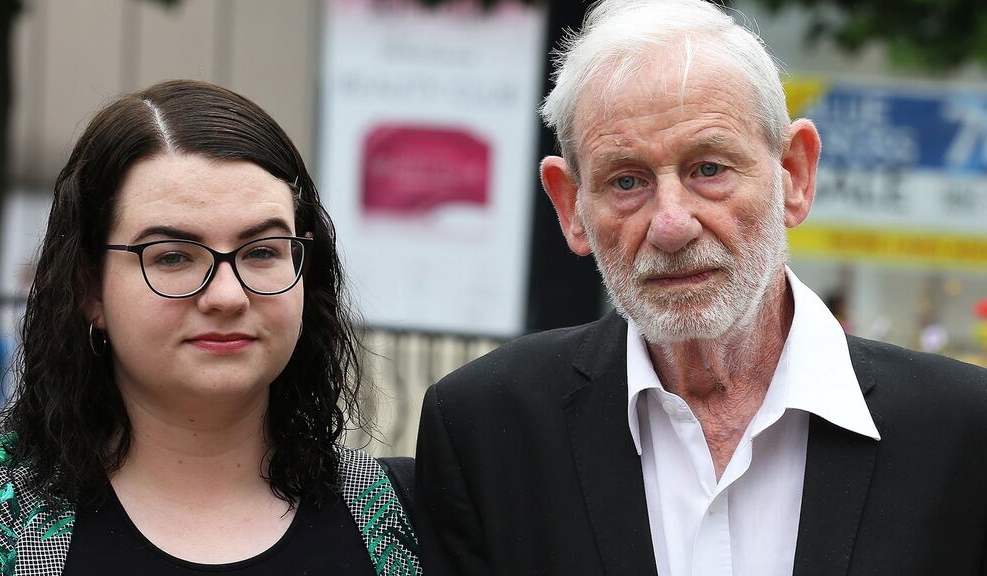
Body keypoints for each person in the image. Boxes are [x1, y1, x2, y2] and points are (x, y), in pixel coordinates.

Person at [415, 1, 987, 575]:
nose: (671, 225)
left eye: (709, 169)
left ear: (794, 175)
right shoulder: (487, 429)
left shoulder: (963, 432)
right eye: (627, 181)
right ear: (571, 207)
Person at [0, 80, 421, 575]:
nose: (227, 296)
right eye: (173, 257)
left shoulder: (406, 518)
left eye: (262, 251)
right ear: (90, 289)